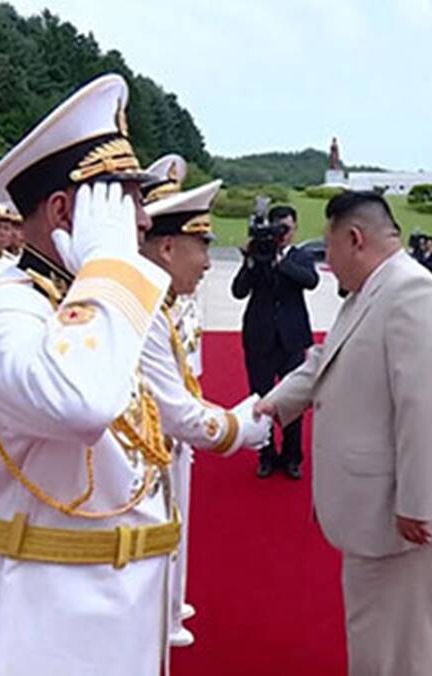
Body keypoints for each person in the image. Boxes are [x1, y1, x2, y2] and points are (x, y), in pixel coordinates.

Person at [0, 73, 178, 676]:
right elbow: (82, 405)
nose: (145, 222)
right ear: (63, 211)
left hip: (117, 592)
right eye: (126, 199)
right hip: (40, 607)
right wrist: (105, 265)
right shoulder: (4, 308)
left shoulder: (91, 303)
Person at [257, 190, 432, 676]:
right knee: (380, 638)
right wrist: (273, 406)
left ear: (355, 239)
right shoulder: (371, 290)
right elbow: (324, 360)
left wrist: (417, 502)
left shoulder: (410, 292)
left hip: (401, 511)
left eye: (330, 250)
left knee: (403, 647)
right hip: (376, 506)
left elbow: (425, 404)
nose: (328, 264)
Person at [137, 175, 271, 648]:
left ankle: (167, 612)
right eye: (202, 245)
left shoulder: (156, 302)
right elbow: (176, 413)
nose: (209, 261)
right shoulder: (142, 309)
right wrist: (244, 427)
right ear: (169, 247)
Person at [232, 204, 319, 479]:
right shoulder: (259, 254)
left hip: (292, 338)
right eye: (277, 228)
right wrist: (250, 259)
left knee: (292, 402)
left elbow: (310, 281)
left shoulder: (300, 256)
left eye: (287, 229)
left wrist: (281, 262)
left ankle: (292, 457)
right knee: (261, 400)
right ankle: (266, 455)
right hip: (260, 337)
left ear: (295, 230)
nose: (282, 235)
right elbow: (238, 291)